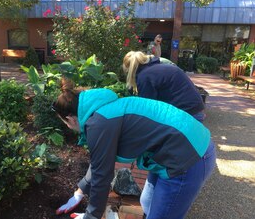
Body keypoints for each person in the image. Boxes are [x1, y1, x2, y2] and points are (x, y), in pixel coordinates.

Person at [53, 79, 216, 219]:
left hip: (188, 156)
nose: (68, 127)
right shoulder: (101, 111)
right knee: (146, 203)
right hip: (175, 149)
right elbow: (98, 165)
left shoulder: (99, 123)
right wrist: (79, 193)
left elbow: (102, 176)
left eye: (66, 124)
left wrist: (91, 216)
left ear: (69, 119)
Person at [123, 51, 206, 123]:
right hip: (195, 109)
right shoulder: (159, 67)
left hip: (187, 113)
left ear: (129, 69)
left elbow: (147, 109)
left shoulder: (144, 76)